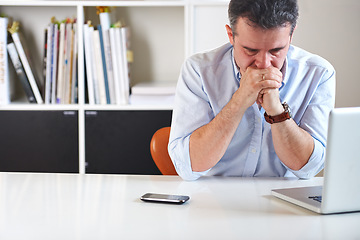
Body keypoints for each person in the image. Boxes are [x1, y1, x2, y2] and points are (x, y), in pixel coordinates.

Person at [168, 0, 335, 181]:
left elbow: (309, 168)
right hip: (211, 198)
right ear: (231, 35)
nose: (264, 63)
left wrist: (276, 111)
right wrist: (240, 100)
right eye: (250, 50)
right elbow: (188, 165)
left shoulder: (318, 73)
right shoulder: (198, 70)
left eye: (276, 50)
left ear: (291, 35)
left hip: (283, 201)